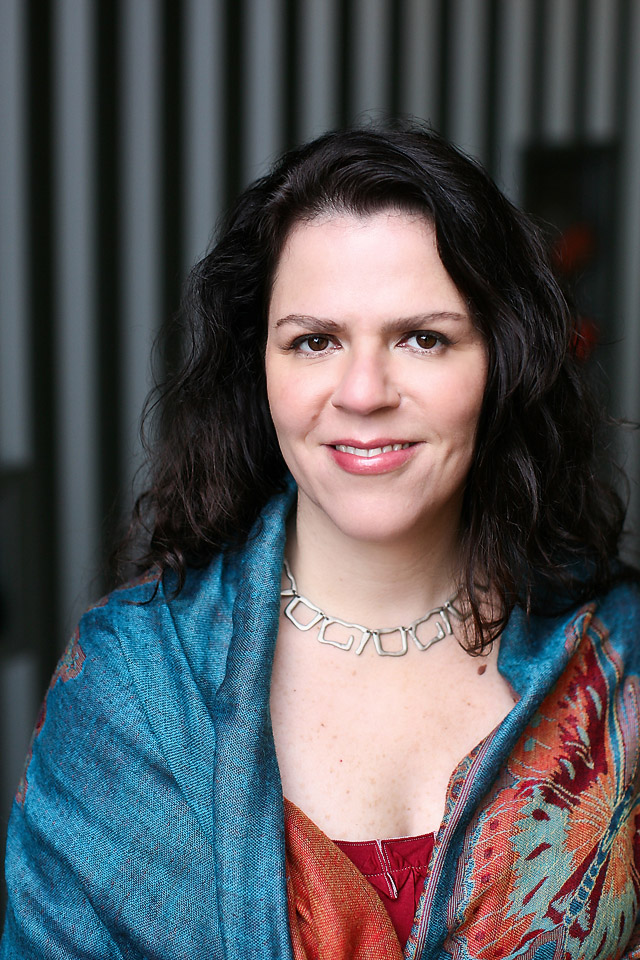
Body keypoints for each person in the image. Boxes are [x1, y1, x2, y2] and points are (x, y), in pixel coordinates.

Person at [2, 123, 639, 960]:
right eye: (315, 341)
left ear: (501, 360)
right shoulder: (133, 683)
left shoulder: (622, 656)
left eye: (423, 338)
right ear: (260, 366)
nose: (364, 392)